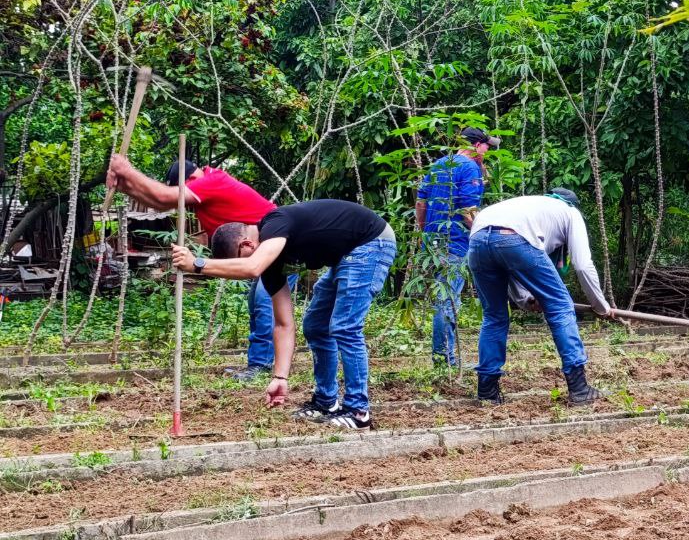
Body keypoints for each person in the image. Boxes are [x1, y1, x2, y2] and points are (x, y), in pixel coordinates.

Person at [170, 199, 396, 430]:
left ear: (247, 244)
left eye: (240, 260)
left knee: (345, 326)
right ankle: (326, 402)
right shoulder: (271, 267)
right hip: (348, 254)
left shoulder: (275, 223)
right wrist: (280, 377)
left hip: (371, 242)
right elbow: (283, 324)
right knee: (315, 326)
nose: (244, 273)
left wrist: (197, 264)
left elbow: (252, 267)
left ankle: (358, 412)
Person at [107, 153, 295, 380]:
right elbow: (159, 203)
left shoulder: (212, 182)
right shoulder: (205, 190)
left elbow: (164, 197)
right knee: (256, 305)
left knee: (264, 304)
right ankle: (258, 362)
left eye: (181, 189)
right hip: (260, 250)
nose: (183, 198)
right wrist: (123, 185)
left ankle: (261, 366)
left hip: (277, 247)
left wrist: (127, 170)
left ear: (191, 181)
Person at [467, 188, 612, 406]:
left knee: (494, 316)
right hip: (514, 238)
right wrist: (601, 306)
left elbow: (507, 261)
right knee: (561, 307)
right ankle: (579, 388)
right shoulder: (570, 212)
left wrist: (527, 300)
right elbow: (583, 265)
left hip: (477, 240)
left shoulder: (530, 206)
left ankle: (487, 392)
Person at [415, 126, 498, 367]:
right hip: (456, 241)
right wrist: (482, 236)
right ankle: (445, 361)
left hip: (433, 241)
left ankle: (445, 358)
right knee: (448, 299)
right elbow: (467, 211)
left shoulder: (439, 164)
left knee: (443, 296)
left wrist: (425, 232)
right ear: (476, 145)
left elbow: (420, 203)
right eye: (487, 146)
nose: (488, 151)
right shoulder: (469, 167)